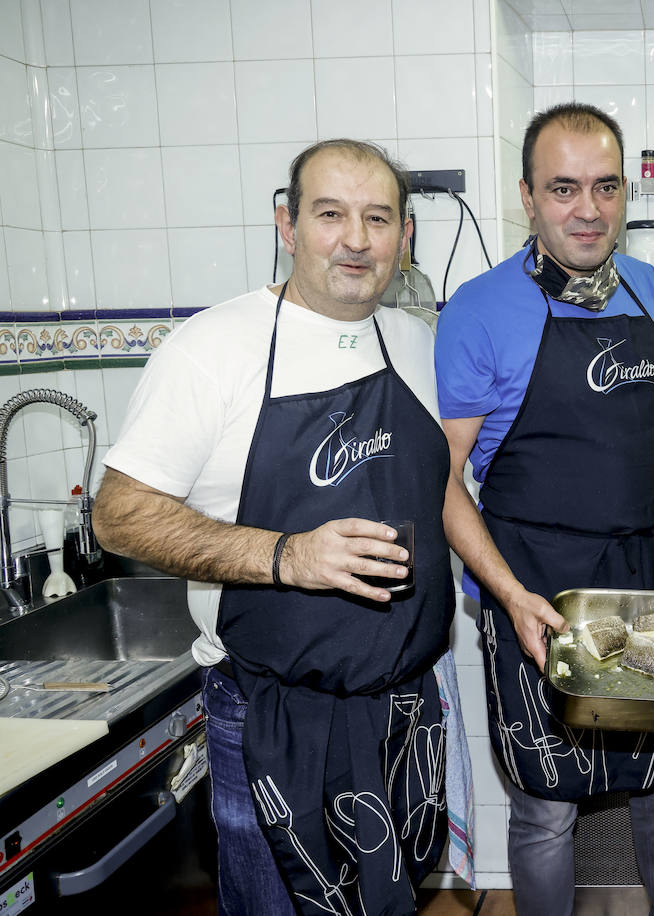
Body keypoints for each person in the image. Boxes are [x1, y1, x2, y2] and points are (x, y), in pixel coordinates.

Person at [92, 139, 470, 915]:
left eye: (378, 218)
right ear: (287, 224)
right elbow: (118, 516)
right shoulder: (212, 350)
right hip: (269, 717)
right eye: (330, 214)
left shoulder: (418, 343)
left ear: (404, 235)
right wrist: (284, 556)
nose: (356, 239)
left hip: (402, 710)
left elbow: (448, 494)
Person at [435, 103, 654, 916]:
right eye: (563, 189)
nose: (587, 209)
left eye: (603, 187)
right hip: (534, 590)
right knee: (548, 805)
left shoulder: (647, 286)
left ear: (625, 192)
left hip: (637, 578)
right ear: (527, 195)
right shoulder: (479, 309)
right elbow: (443, 478)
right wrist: (504, 593)